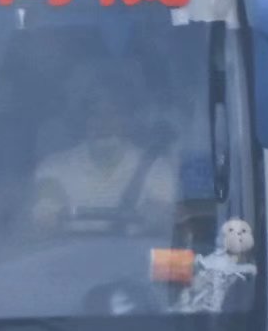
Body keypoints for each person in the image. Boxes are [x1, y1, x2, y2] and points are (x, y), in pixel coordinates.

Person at [29, 81, 175, 232]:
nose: (104, 124)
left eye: (114, 114)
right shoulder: (55, 168)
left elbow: (163, 223)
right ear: (83, 121)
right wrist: (47, 210)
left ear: (128, 121)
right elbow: (45, 207)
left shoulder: (157, 169)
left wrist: (156, 215)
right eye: (95, 114)